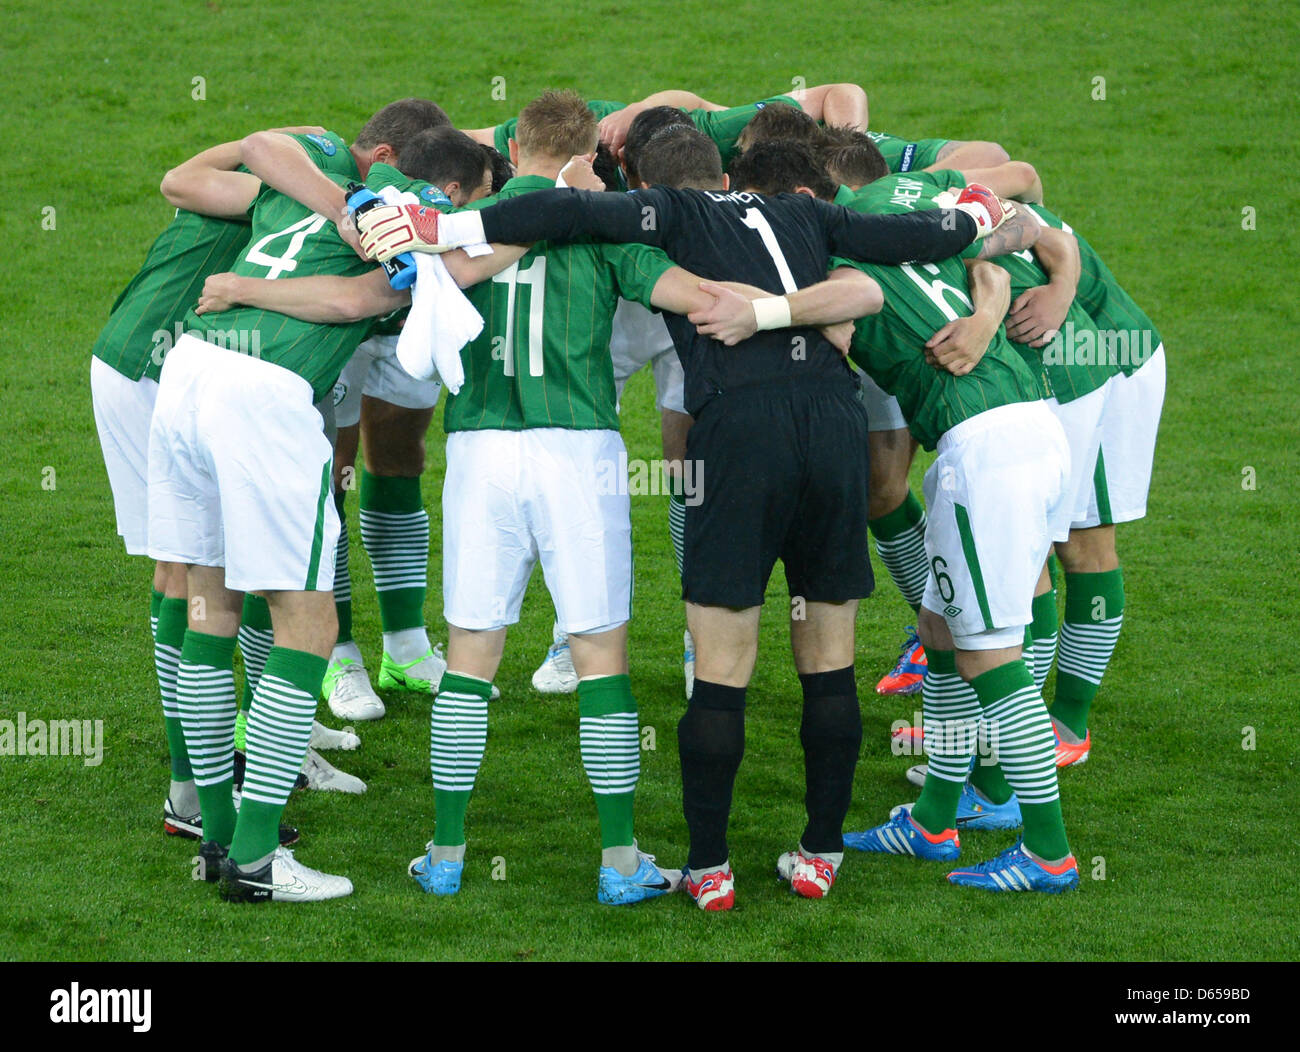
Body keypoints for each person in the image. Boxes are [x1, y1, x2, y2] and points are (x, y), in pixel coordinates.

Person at [356, 126, 1025, 908]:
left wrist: (442, 231)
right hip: (815, 428)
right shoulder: (807, 217)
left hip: (647, 441)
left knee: (700, 671)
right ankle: (794, 854)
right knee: (821, 660)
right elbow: (891, 259)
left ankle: (686, 867)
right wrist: (972, 218)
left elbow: (566, 219)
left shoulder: (654, 214)